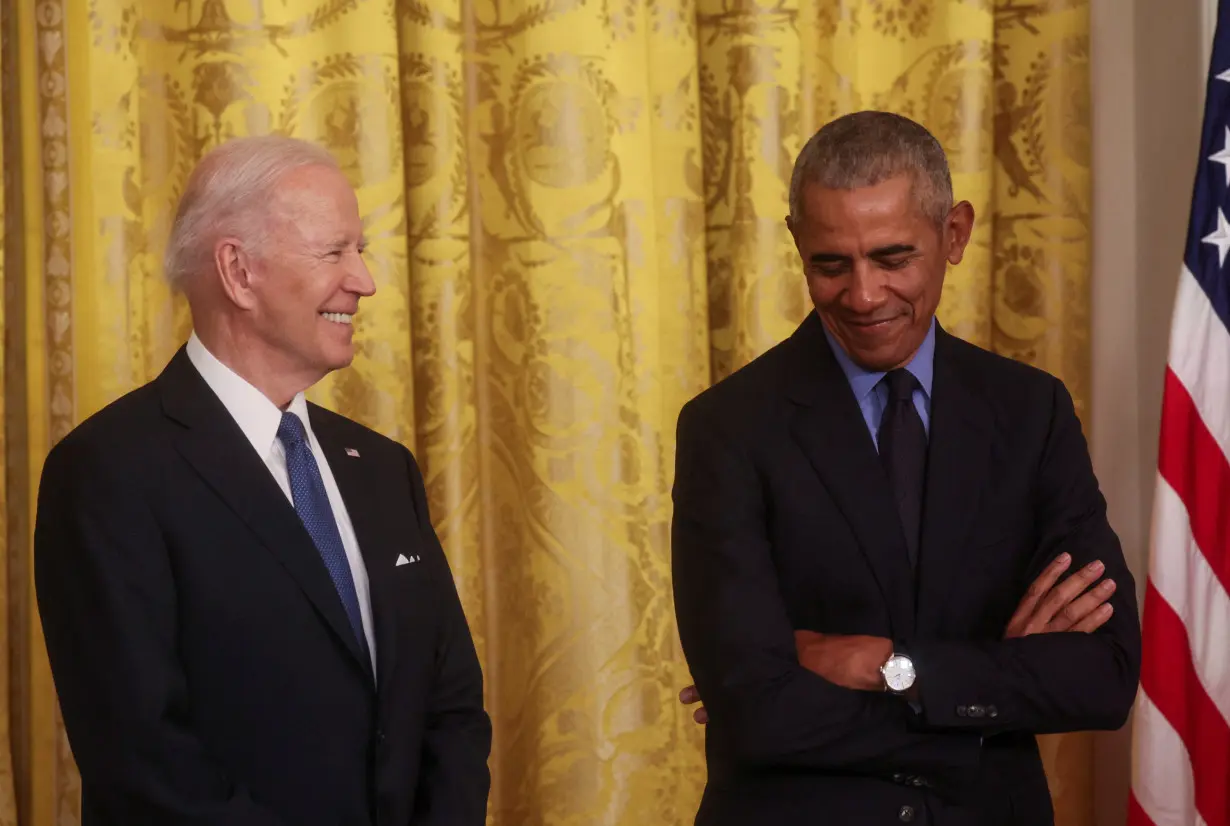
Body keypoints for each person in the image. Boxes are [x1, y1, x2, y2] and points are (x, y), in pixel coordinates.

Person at [670, 112, 1140, 826]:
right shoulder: (726, 428)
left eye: (892, 258)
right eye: (831, 264)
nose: (862, 296)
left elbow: (1102, 677)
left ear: (954, 234)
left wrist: (888, 663)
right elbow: (757, 708)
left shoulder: (1030, 412)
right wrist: (982, 708)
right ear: (797, 241)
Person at [34, 136, 491, 826]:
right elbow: (143, 760)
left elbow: (449, 704)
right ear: (238, 272)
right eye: (335, 252)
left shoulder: (383, 468)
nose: (364, 281)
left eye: (359, 251)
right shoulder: (107, 472)